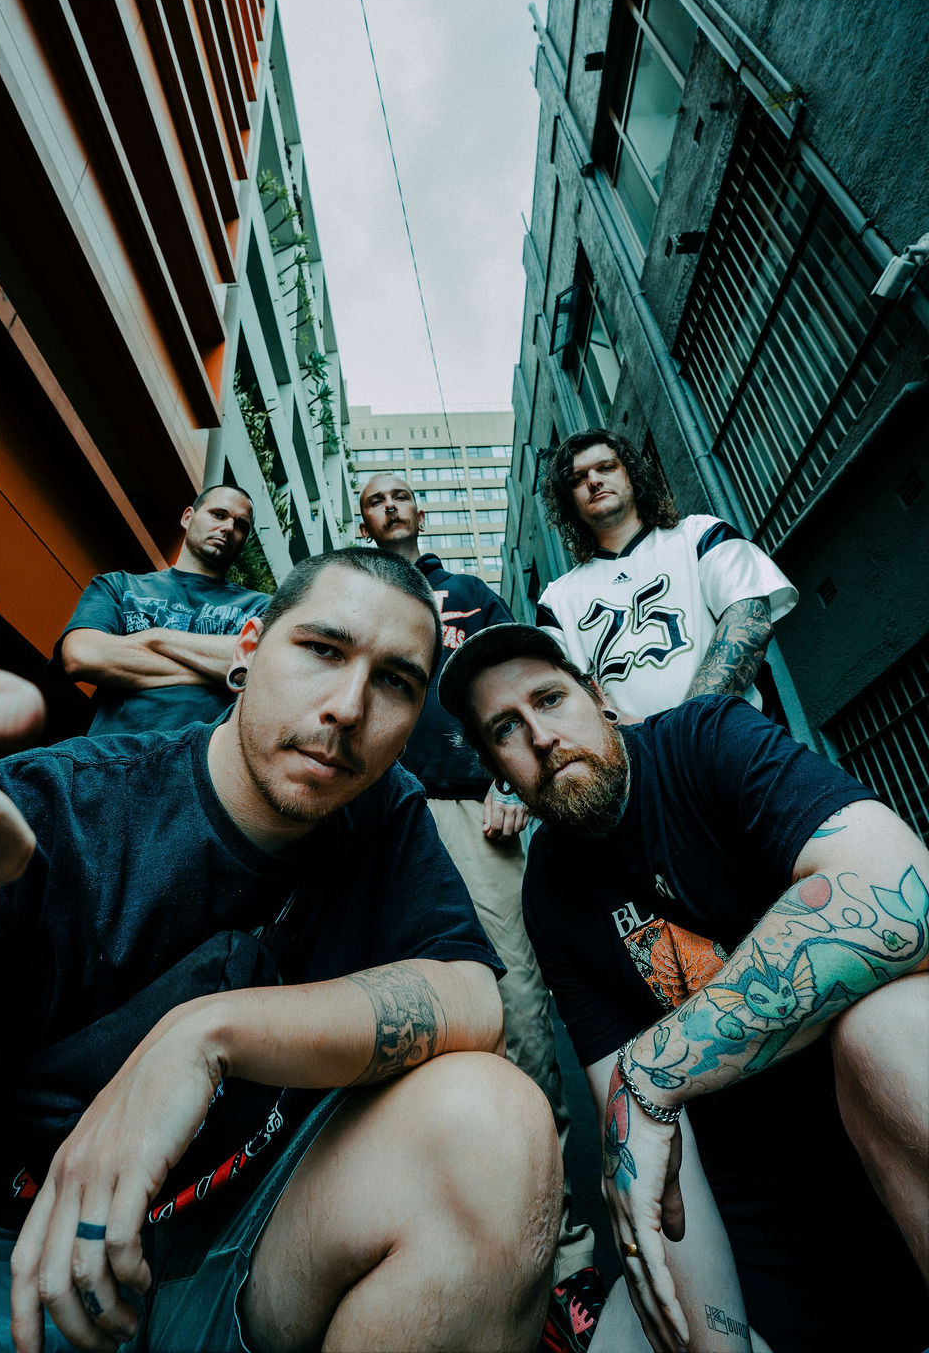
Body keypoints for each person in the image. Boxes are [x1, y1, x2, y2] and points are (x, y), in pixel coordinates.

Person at [0, 546, 563, 1353]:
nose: (348, 707)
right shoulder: (61, 807)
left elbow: (472, 995)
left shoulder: (382, 809)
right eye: (322, 650)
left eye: (395, 682)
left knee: (497, 1125)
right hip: (9, 1253)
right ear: (245, 652)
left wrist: (206, 1035)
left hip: (234, 1256)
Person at [438, 621, 929, 1353]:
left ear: (598, 699)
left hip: (884, 1108)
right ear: (495, 771)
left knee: (887, 1029)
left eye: (550, 699)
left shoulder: (704, 741)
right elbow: (636, 1134)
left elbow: (902, 897)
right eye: (506, 728)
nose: (540, 736)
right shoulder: (550, 891)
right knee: (623, 1334)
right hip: (750, 1184)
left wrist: (655, 1068)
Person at [358, 474, 601, 1348]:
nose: (392, 505)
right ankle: (447, 1239)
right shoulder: (359, 589)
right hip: (374, 816)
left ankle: (563, 1256)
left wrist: (509, 782)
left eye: (402, 494)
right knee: (394, 1025)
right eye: (375, 497)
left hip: (469, 812)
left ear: (419, 511)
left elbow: (515, 686)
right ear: (361, 518)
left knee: (517, 1015)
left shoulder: (466, 592)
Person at [536, 431, 797, 720]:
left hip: (740, 738)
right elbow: (554, 692)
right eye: (578, 479)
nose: (594, 481)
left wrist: (686, 727)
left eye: (606, 468)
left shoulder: (702, 536)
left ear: (632, 475)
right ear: (568, 501)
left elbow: (749, 624)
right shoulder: (555, 600)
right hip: (635, 748)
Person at [56, 484, 269, 734]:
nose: (229, 527)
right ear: (187, 517)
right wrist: (218, 674)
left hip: (198, 755)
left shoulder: (261, 607)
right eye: (218, 515)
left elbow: (260, 667)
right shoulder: (119, 586)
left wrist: (154, 638)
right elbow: (81, 655)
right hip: (108, 750)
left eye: (241, 525)